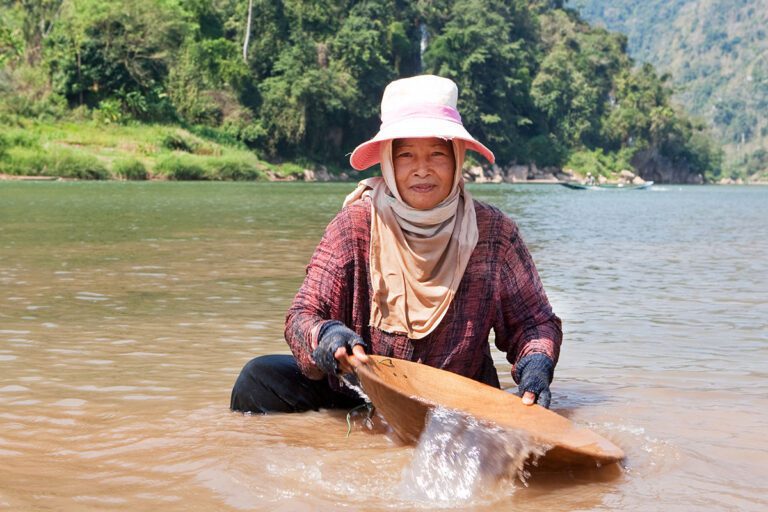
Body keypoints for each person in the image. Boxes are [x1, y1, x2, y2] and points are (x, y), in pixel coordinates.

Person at [230, 75, 562, 415]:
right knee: (257, 380)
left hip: (459, 398)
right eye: (406, 156)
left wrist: (535, 367)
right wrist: (328, 336)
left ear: (457, 160)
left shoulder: (494, 233)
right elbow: (302, 316)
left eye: (437, 154)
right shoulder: (354, 226)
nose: (422, 170)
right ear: (388, 161)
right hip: (364, 392)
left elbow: (535, 323)